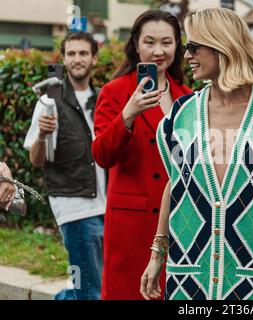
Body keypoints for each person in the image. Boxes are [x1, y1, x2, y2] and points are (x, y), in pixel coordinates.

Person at [141, 7, 253, 300]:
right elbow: (174, 184)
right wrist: (157, 253)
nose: (187, 55)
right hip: (189, 275)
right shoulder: (181, 114)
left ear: (222, 45)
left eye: (194, 47)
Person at [92, 10, 191, 300]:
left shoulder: (187, 96)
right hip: (131, 226)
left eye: (167, 42)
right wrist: (128, 114)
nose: (158, 51)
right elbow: (101, 155)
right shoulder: (115, 91)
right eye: (150, 42)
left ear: (177, 47)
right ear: (136, 44)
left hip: (177, 224)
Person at [24, 32, 106, 300]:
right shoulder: (50, 101)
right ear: (64, 59)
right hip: (75, 208)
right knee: (88, 290)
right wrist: (43, 136)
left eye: (83, 53)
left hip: (109, 206)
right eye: (71, 54)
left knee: (94, 286)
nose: (77, 59)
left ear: (94, 58)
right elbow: (36, 160)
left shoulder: (103, 98)